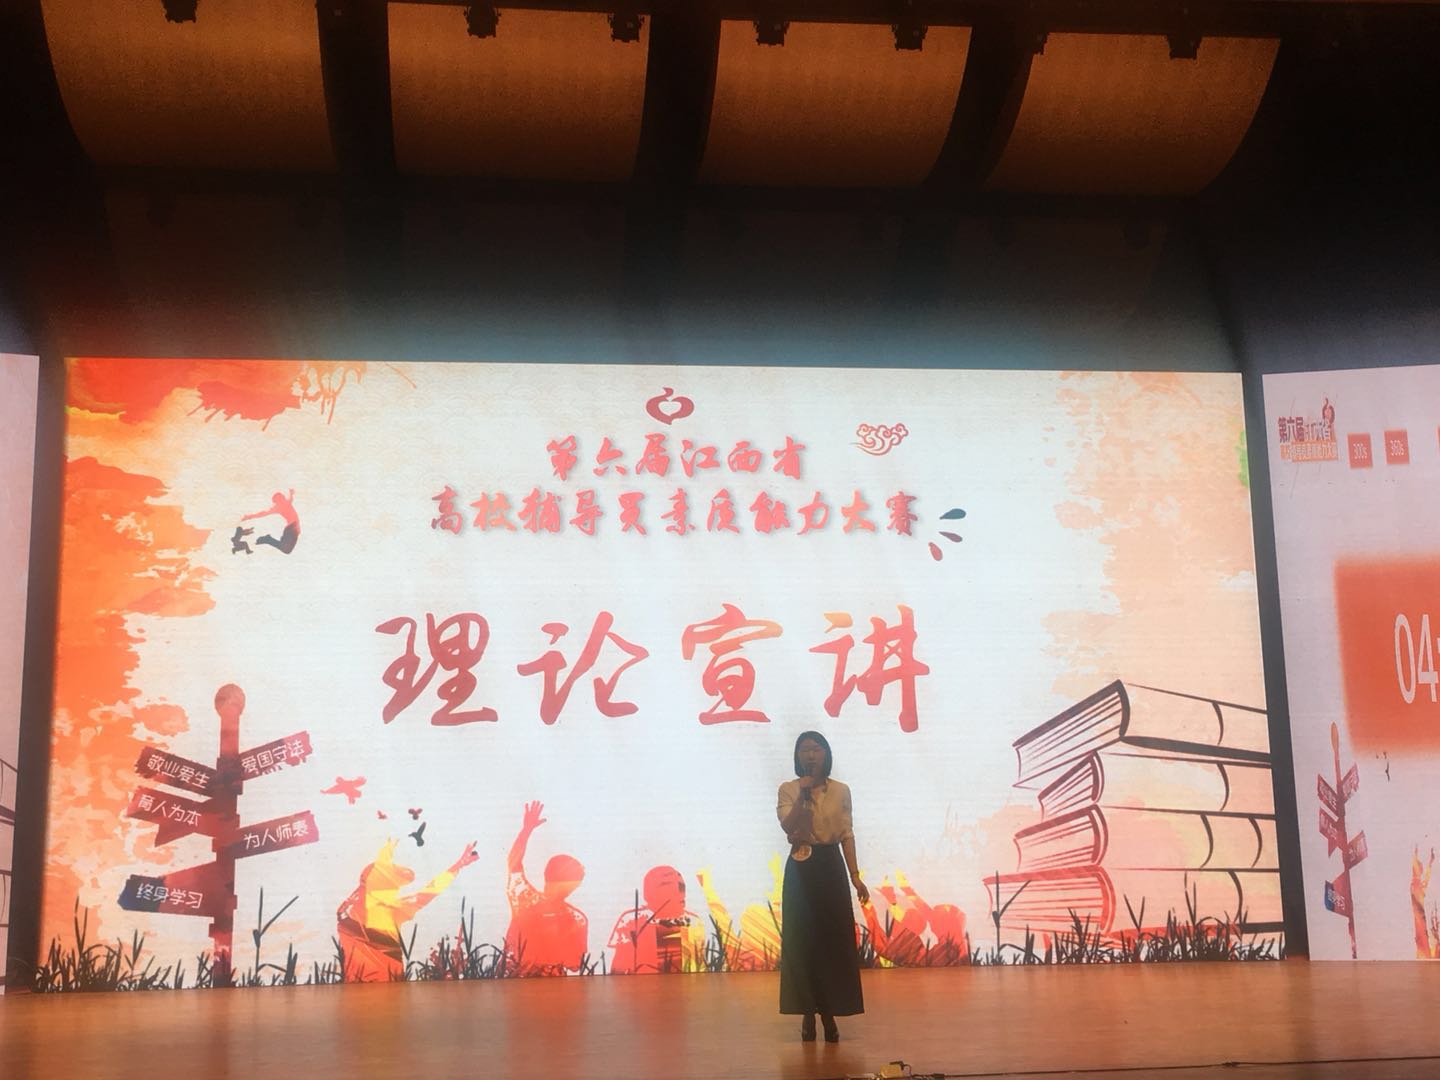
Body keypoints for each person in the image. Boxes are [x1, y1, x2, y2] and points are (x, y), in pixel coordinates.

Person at [777, 730, 868, 1043]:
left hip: (830, 866)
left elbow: (846, 834)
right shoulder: (789, 789)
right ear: (797, 756)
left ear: (826, 754)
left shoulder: (841, 790)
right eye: (805, 750)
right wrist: (803, 796)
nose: (811, 755)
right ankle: (807, 1013)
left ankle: (829, 1013)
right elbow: (788, 826)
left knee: (832, 941)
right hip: (801, 867)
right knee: (802, 942)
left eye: (816, 749)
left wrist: (855, 875)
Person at [337, 838, 478, 981]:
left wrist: (458, 865)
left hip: (382, 985)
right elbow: (429, 892)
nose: (396, 890)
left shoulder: (348, 912)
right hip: (381, 984)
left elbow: (428, 891)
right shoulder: (386, 910)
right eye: (392, 885)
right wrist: (458, 865)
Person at [503, 800, 588, 976]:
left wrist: (526, 830)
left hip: (533, 983)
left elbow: (513, 863)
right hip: (528, 981)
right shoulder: (576, 917)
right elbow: (575, 963)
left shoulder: (526, 898)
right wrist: (526, 830)